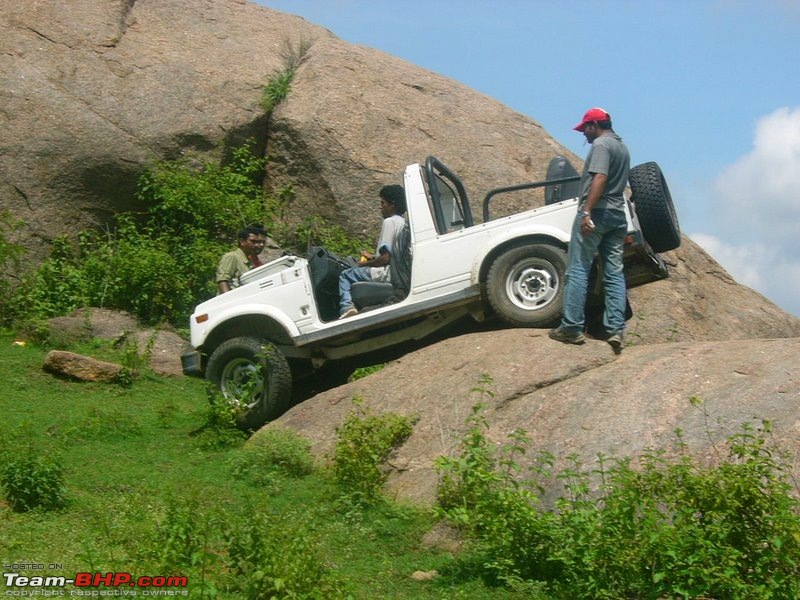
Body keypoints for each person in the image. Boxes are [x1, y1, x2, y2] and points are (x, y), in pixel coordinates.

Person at [549, 108, 630, 353]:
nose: (584, 133)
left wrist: (586, 211)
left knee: (577, 269)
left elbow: (600, 178)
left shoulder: (602, 146)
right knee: (614, 272)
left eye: (585, 128)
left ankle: (572, 327)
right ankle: (615, 329)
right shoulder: (623, 147)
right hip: (617, 215)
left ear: (595, 124)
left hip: (597, 214)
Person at [338, 184, 407, 318]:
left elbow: (385, 258)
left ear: (392, 205)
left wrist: (364, 264)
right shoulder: (403, 223)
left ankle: (347, 308)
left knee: (345, 275)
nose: (380, 207)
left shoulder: (389, 222)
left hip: (387, 273)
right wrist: (371, 257)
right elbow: (393, 254)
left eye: (383, 203)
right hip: (400, 272)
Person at [216, 224, 267, 294]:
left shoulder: (250, 261)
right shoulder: (232, 257)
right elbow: (223, 281)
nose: (260, 245)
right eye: (254, 241)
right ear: (242, 241)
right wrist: (230, 302)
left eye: (263, 242)